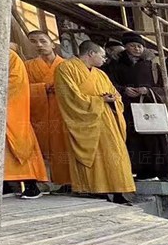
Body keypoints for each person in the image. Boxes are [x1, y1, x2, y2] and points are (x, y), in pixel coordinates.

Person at [53, 42, 135, 204]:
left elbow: (116, 95)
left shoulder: (101, 74)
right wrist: (99, 100)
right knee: (93, 157)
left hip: (107, 119)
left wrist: (112, 100)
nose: (104, 59)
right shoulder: (66, 68)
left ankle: (119, 191)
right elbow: (69, 97)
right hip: (84, 121)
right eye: (102, 55)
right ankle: (95, 190)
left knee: (116, 155)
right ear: (91, 53)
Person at [107, 31, 168, 180]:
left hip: (149, 106)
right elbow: (109, 84)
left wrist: (148, 91)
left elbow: (165, 88)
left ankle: (163, 170)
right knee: (133, 139)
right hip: (128, 107)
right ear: (125, 47)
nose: (137, 49)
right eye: (133, 46)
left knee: (156, 138)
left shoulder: (152, 66)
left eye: (139, 46)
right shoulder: (115, 66)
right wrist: (124, 90)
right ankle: (140, 170)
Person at [25, 30, 72, 187]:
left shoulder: (66, 65)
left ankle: (66, 182)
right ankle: (44, 183)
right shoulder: (27, 66)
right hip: (39, 114)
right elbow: (21, 89)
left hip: (62, 113)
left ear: (52, 44)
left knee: (64, 146)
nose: (38, 45)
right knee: (40, 148)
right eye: (33, 41)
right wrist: (43, 88)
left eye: (43, 41)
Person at [4, 49, 48, 199]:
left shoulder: (10, 56)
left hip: (11, 108)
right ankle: (5, 185)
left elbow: (15, 82)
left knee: (19, 145)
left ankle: (31, 185)